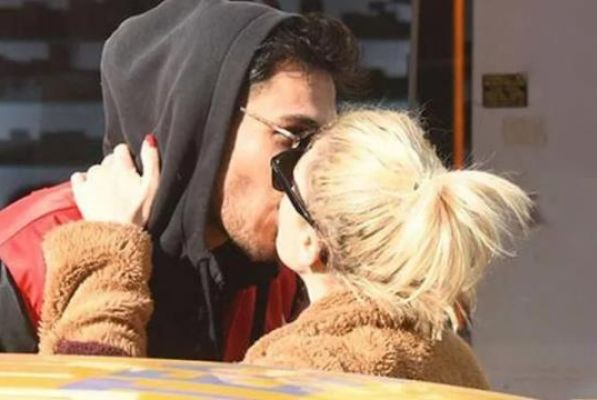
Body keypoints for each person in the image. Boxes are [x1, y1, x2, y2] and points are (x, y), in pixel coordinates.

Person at [38, 108, 532, 389]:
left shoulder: (301, 371)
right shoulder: (452, 360)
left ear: (312, 243)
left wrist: (105, 252)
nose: (275, 191)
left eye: (286, 176)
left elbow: (89, 396)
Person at [0, 0, 361, 359]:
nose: (311, 169)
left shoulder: (287, 270)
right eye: (294, 137)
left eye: (323, 144)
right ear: (203, 127)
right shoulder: (25, 256)